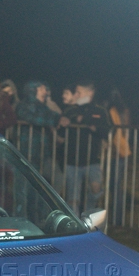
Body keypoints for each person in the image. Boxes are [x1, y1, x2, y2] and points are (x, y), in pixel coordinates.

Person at [59, 81, 110, 213]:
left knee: (96, 189)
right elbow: (60, 133)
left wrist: (93, 127)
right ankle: (75, 222)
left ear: (90, 93)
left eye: (79, 92)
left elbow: (108, 130)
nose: (76, 95)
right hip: (72, 160)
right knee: (73, 198)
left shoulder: (100, 110)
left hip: (92, 159)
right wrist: (62, 124)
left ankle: (88, 215)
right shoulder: (70, 110)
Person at [107, 88, 132, 227]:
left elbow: (117, 131)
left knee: (115, 187)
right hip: (122, 149)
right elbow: (126, 130)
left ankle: (117, 219)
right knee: (116, 187)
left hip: (117, 150)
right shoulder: (123, 110)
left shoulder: (111, 110)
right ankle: (117, 219)